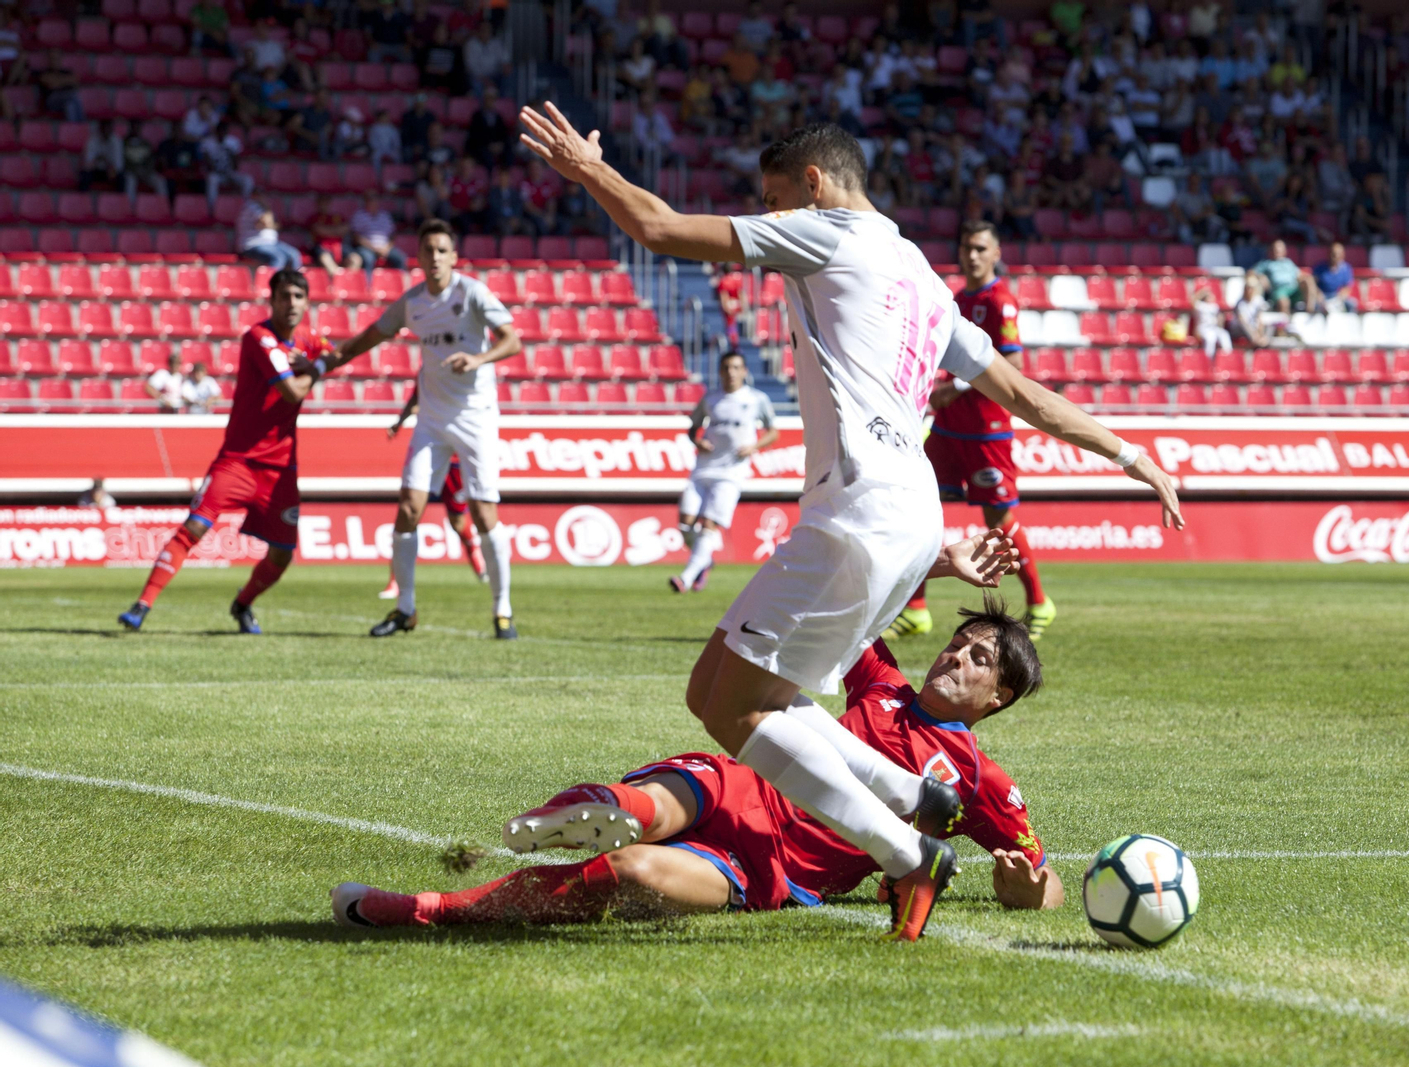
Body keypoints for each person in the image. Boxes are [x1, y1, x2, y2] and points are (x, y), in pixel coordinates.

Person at [516, 109, 1181, 941]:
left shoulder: (827, 234)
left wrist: (587, 169)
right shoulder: (926, 281)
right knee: (719, 689)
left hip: (861, 508)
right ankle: (914, 797)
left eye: (772, 195)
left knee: (737, 715)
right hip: (910, 512)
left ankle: (906, 846)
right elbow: (1024, 394)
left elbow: (658, 227)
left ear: (815, 184)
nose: (768, 210)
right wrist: (1130, 452)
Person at [334, 568, 1065, 928]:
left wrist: (1030, 891)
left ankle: (441, 906)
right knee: (645, 809)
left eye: (977, 660)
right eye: (956, 642)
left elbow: (1043, 877)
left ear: (996, 698)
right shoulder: (879, 682)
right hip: (744, 783)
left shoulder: (978, 779)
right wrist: (931, 565)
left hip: (772, 867)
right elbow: (847, 608)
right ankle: (576, 811)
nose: (955, 657)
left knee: (627, 866)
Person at [327, 220, 522, 639]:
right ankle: (405, 609)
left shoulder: (472, 293)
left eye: (442, 250)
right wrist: (328, 362)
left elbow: (512, 341)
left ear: (454, 256)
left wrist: (478, 359)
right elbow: (369, 337)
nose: (434, 257)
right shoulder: (412, 303)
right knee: (408, 509)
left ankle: (502, 609)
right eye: (428, 250)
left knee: (484, 514)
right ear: (417, 257)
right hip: (432, 419)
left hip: (477, 416)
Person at [117, 270, 334, 634]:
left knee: (282, 552)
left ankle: (243, 603)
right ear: (272, 300)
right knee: (195, 526)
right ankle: (142, 605)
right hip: (238, 460)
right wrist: (317, 369)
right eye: (285, 296)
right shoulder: (259, 338)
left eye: (298, 296)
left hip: (280, 469)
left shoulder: (310, 340)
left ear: (307, 302)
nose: (291, 303)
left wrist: (321, 360)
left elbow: (332, 350)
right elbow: (293, 392)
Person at [887, 219, 1054, 644]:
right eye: (967, 248)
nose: (973, 255)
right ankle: (918, 608)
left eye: (981, 248)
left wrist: (956, 387)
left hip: (986, 430)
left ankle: (1039, 601)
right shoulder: (958, 297)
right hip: (948, 429)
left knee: (997, 518)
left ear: (996, 253)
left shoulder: (1001, 301)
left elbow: (1012, 367)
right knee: (924, 511)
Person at [671, 352, 778, 595]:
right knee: (685, 524)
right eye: (727, 367)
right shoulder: (711, 398)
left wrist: (754, 446)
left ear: (744, 372)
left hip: (732, 472)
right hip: (703, 468)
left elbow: (773, 432)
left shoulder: (756, 399)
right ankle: (704, 561)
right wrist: (698, 442)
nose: (731, 372)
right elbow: (693, 429)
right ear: (720, 371)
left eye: (736, 367)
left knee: (709, 523)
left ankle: (685, 579)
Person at [379, 385, 488, 596]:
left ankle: (473, 550)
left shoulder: (467, 362)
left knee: (457, 520)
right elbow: (417, 394)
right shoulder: (430, 362)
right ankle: (396, 583)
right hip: (429, 448)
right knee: (410, 513)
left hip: (456, 456)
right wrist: (401, 421)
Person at [344, 192, 406, 272]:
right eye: (369, 199)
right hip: (366, 247)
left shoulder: (385, 216)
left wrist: (387, 248)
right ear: (365, 201)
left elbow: (392, 235)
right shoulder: (359, 215)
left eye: (374, 199)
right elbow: (356, 237)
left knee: (400, 258)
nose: (372, 201)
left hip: (385, 248)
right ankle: (367, 284)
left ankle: (399, 283)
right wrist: (373, 248)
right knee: (368, 259)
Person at [237, 197, 303, 271]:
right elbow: (266, 223)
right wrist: (273, 224)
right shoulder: (252, 206)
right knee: (278, 257)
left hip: (271, 244)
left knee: (294, 254)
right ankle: (272, 281)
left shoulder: (263, 207)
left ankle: (295, 281)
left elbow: (271, 224)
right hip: (253, 245)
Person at [1250, 239, 1315, 313]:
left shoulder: (1289, 263)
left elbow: (1299, 275)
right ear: (1271, 250)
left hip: (1294, 289)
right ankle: (1285, 322)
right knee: (1284, 302)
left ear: (1284, 251)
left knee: (1309, 280)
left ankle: (1310, 313)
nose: (1277, 251)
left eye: (1279, 249)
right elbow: (1251, 272)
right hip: (1278, 291)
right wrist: (1260, 276)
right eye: (1275, 249)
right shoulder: (1266, 263)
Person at [1312, 243, 1356, 313]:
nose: (1335, 256)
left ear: (1342, 255)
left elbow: (1347, 287)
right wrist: (1318, 294)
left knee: (1351, 304)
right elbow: (1313, 284)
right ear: (1329, 254)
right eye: (1333, 254)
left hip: (1337, 296)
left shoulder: (1346, 269)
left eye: (1338, 254)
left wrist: (1339, 298)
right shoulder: (1319, 268)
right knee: (1314, 305)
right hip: (1323, 296)